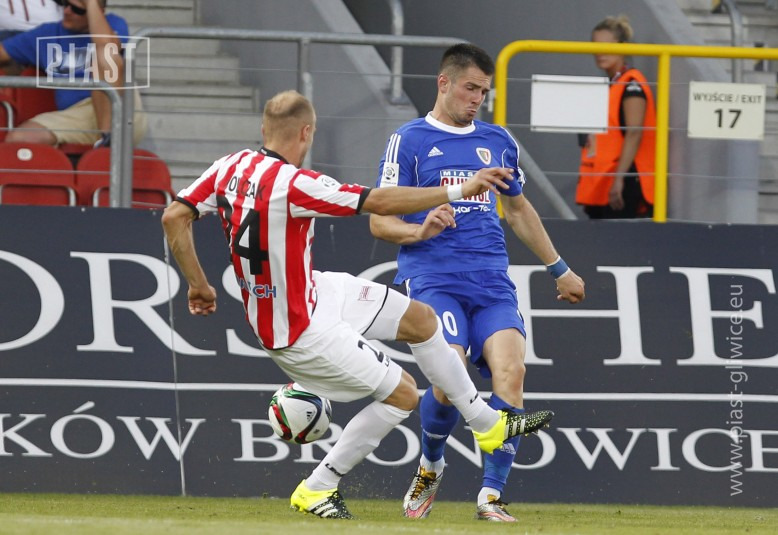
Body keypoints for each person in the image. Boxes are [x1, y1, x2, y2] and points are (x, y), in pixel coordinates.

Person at [161, 90, 554, 520]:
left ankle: (486, 424)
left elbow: (173, 216)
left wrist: (198, 285)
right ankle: (318, 487)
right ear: (307, 132)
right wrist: (461, 188)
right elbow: (379, 203)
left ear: (263, 128)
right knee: (403, 395)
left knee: (421, 320)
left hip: (315, 292)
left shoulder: (230, 166)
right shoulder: (296, 185)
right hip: (298, 328)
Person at [370, 44, 585, 522]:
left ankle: (491, 495)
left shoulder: (498, 141)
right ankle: (431, 464)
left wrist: (559, 268)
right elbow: (379, 220)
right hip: (434, 278)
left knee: (512, 371)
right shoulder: (408, 141)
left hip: (491, 281)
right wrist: (419, 231)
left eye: (483, 92)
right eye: (470, 88)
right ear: (443, 83)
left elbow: (518, 210)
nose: (476, 99)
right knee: (451, 377)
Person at [0, 0, 147, 147]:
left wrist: (91, 3)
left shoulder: (113, 23)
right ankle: (105, 144)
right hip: (76, 115)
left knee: (105, 55)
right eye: (66, 4)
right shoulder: (48, 33)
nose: (67, 11)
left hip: (118, 107)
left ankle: (107, 141)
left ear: (98, 12)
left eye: (77, 9)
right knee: (18, 139)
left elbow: (108, 47)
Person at [576, 15, 656, 219]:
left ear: (623, 46)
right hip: (607, 180)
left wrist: (619, 178)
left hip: (627, 182)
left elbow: (634, 133)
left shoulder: (632, 84)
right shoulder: (612, 84)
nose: (600, 52)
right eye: (595, 46)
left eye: (607, 45)